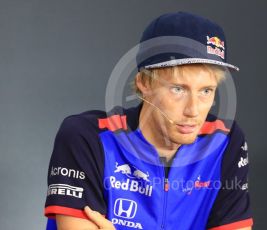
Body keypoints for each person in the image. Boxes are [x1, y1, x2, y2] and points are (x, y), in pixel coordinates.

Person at [44, 11, 253, 230]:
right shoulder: (86, 137)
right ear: (144, 82)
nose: (193, 110)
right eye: (178, 89)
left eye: (206, 91)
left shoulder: (225, 141)